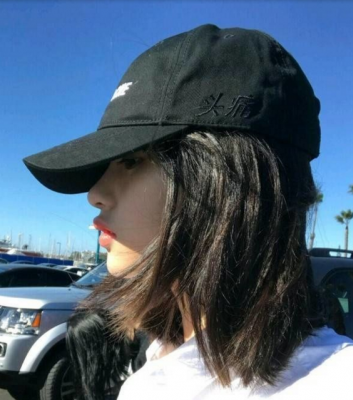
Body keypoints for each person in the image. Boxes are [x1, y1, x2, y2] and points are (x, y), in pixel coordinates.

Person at [24, 24, 353, 399]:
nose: (95, 194)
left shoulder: (332, 383)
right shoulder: (155, 365)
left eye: (131, 160)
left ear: (226, 181)